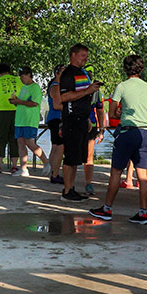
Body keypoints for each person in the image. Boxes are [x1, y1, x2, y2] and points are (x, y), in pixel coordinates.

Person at [91, 55, 147, 224]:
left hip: (127, 132)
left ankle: (107, 209)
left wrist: (119, 112)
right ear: (141, 68)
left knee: (116, 173)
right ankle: (143, 212)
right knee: (143, 176)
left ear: (125, 69)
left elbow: (111, 113)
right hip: (145, 133)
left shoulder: (122, 86)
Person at [58, 45, 101, 202]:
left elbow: (84, 99)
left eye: (86, 55)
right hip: (71, 120)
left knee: (77, 158)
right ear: (73, 55)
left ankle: (71, 188)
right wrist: (87, 91)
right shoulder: (68, 74)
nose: (85, 58)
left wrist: (88, 117)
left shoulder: (82, 73)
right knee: (70, 157)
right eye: (83, 55)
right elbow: (64, 97)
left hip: (83, 119)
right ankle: (67, 191)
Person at [10, 66, 47, 177]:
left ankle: (46, 162)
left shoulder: (35, 88)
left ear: (28, 75)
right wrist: (16, 101)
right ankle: (23, 168)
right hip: (20, 119)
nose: (21, 79)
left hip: (30, 120)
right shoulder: (24, 87)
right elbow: (22, 102)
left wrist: (19, 101)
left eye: (22, 76)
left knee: (30, 142)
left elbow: (35, 103)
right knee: (20, 143)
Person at [0, 63, 20, 173]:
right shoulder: (18, 80)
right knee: (14, 139)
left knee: (0, 139)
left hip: (2, 112)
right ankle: (14, 166)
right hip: (17, 111)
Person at [83, 64, 106, 195]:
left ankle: (89, 183)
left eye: (91, 73)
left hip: (92, 125)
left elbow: (101, 110)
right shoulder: (78, 88)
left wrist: (101, 129)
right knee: (73, 155)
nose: (89, 75)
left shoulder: (96, 92)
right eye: (87, 73)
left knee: (89, 156)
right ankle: (69, 185)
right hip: (78, 124)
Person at [45, 64, 65, 185]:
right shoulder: (56, 86)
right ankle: (55, 174)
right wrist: (71, 107)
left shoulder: (56, 86)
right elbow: (57, 105)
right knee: (60, 146)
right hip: (57, 119)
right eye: (63, 72)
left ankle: (52, 171)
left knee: (55, 146)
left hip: (54, 118)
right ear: (57, 74)